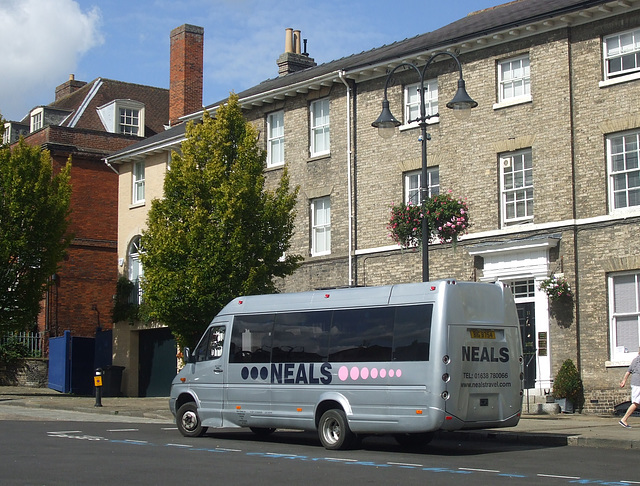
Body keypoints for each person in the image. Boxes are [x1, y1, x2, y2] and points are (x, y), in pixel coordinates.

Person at [619, 348, 640, 428]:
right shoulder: (638, 360)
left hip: (636, 383)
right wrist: (624, 381)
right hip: (637, 384)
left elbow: (628, 371)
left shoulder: (635, 359)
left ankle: (624, 420)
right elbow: (629, 371)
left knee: (636, 402)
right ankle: (624, 419)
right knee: (636, 402)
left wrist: (624, 381)